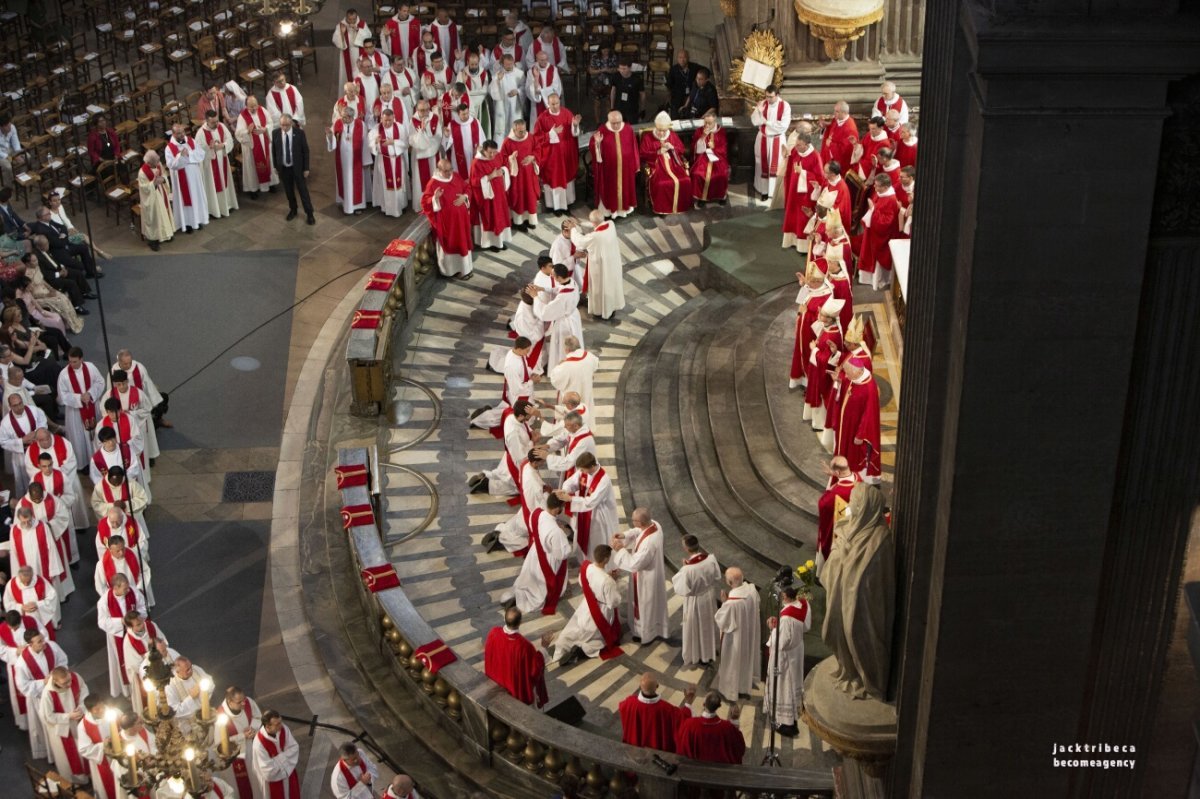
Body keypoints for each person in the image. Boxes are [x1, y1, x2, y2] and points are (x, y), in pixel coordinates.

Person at [822, 483, 894, 699]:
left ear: (866, 508)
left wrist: (849, 565)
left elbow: (877, 583)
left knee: (862, 639)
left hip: (863, 608)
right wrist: (840, 557)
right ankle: (849, 672)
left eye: (855, 503)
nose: (850, 506)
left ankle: (868, 680)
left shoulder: (880, 540)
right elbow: (830, 568)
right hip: (841, 598)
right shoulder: (847, 528)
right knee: (835, 633)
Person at [549, 544, 622, 665]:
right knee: (598, 639)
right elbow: (614, 601)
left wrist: (606, 577)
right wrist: (613, 581)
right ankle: (581, 649)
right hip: (601, 611)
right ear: (606, 559)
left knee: (579, 629)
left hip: (588, 605)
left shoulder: (587, 567)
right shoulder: (608, 581)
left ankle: (567, 644)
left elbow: (582, 582)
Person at [502, 493, 569, 615]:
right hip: (548, 559)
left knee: (530, 578)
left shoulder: (537, 513)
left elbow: (533, 530)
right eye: (562, 507)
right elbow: (562, 554)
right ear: (557, 509)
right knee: (542, 586)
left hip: (535, 553)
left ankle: (518, 597)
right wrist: (564, 534)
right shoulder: (556, 532)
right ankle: (522, 600)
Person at [611, 509, 669, 644]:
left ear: (640, 522)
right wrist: (624, 535)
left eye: (633, 521)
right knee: (650, 604)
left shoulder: (649, 543)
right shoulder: (655, 524)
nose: (632, 523)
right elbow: (638, 531)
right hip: (651, 573)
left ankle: (645, 634)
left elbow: (634, 564)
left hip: (646, 578)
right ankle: (645, 629)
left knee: (645, 605)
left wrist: (620, 550)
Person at [763, 585, 812, 737]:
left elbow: (782, 642)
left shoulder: (787, 617)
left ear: (785, 596)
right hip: (796, 651)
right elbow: (804, 627)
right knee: (794, 683)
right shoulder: (804, 603)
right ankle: (793, 716)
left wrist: (772, 628)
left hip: (784, 658)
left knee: (784, 686)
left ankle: (786, 723)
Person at [15, 628, 70, 759]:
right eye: (39, 641)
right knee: (48, 728)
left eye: (42, 638)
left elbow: (63, 660)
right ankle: (55, 754)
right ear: (30, 644)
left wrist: (58, 674)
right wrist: (43, 682)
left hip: (58, 690)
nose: (43, 642)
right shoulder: (22, 663)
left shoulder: (51, 646)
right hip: (39, 698)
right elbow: (23, 686)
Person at [556, 451, 618, 562]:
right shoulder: (585, 471)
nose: (581, 472)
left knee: (595, 540)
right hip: (582, 508)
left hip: (597, 514)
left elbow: (592, 501)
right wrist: (565, 491)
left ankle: (596, 562)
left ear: (592, 466)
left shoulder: (603, 480)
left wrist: (570, 499)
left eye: (583, 469)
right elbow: (571, 482)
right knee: (582, 535)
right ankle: (584, 559)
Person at [671, 535, 721, 666]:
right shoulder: (710, 559)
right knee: (709, 623)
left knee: (696, 626)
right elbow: (717, 577)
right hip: (709, 596)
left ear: (686, 549)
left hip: (695, 600)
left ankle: (699, 654)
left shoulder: (687, 569)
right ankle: (711, 650)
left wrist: (683, 569)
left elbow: (681, 589)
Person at [420, 157, 474, 279]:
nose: (450, 173)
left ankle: (465, 269)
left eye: (450, 169)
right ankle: (450, 272)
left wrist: (464, 197)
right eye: (446, 171)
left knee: (463, 244)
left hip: (461, 221)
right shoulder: (433, 183)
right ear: (439, 170)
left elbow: (467, 188)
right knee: (451, 245)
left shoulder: (455, 176)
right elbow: (424, 202)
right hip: (447, 224)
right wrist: (435, 198)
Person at [483, 606, 548, 707]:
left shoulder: (493, 633)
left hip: (496, 687)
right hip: (516, 695)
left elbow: (489, 657)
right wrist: (544, 648)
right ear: (520, 622)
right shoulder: (525, 646)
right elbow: (535, 670)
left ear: (504, 619)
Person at [714, 567, 761, 701]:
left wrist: (724, 603)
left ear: (729, 582)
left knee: (733, 661)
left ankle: (731, 689)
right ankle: (744, 684)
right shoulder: (752, 590)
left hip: (736, 639)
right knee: (745, 658)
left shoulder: (732, 602)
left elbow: (722, 621)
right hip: (749, 633)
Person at [619, 672, 694, 753]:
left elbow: (622, 708)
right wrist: (689, 701)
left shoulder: (629, 702)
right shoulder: (667, 709)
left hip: (633, 749)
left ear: (640, 686)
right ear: (657, 686)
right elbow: (683, 718)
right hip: (658, 753)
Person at [96, 572, 145, 697]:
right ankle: (128, 690)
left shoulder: (133, 592)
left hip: (135, 631)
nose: (128, 590)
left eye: (128, 586)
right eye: (125, 588)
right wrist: (122, 621)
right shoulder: (104, 602)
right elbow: (102, 622)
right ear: (115, 588)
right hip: (117, 635)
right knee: (123, 661)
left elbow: (142, 607)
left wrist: (136, 618)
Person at [38, 665, 90, 784]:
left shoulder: (75, 677)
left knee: (84, 748)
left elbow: (84, 690)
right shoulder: (48, 693)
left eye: (69, 680)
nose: (69, 685)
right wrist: (68, 716)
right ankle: (73, 782)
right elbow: (48, 716)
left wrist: (82, 707)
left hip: (79, 721)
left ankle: (89, 773)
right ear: (55, 681)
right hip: (62, 729)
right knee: (68, 757)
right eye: (65, 683)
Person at [834, 361, 882, 482]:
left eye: (849, 374)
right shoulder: (855, 377)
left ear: (859, 371)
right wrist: (840, 381)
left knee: (854, 457)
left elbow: (869, 415)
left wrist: (860, 435)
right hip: (847, 424)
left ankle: (853, 479)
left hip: (855, 429)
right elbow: (847, 382)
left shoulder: (869, 388)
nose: (847, 376)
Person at [531, 93, 580, 212]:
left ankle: (568, 202)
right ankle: (555, 207)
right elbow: (536, 138)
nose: (555, 106)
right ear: (548, 104)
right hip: (551, 156)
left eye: (557, 103)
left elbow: (574, 133)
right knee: (554, 178)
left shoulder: (567, 113)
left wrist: (575, 125)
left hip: (566, 154)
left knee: (566, 177)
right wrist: (552, 133)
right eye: (552, 104)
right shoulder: (542, 118)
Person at [572, 210, 624, 319]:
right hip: (612, 264)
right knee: (611, 287)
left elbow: (580, 242)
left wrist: (573, 229)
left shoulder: (595, 236)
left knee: (600, 288)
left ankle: (601, 311)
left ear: (594, 223)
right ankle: (611, 308)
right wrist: (580, 224)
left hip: (600, 267)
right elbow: (597, 224)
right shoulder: (611, 225)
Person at [804, 297, 846, 430]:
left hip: (823, 371)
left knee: (821, 395)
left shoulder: (833, 335)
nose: (819, 315)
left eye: (821, 314)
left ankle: (820, 423)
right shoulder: (828, 328)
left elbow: (826, 359)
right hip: (816, 367)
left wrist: (814, 349)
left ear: (829, 319)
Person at [788, 264, 832, 390]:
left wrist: (805, 313)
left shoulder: (825, 296)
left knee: (809, 358)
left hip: (812, 336)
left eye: (812, 281)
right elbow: (809, 291)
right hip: (804, 333)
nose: (809, 283)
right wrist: (804, 283)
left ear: (819, 281)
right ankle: (802, 379)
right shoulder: (816, 289)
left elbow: (823, 321)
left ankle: (810, 383)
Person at [641, 111, 692, 215]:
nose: (662, 134)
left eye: (664, 131)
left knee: (685, 180)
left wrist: (672, 148)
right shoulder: (648, 137)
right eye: (660, 130)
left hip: (674, 165)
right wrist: (657, 152)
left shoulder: (672, 135)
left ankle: (681, 206)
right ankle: (662, 209)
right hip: (657, 167)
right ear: (656, 127)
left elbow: (681, 149)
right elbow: (642, 154)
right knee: (661, 183)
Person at [781, 131, 824, 252]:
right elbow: (790, 164)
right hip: (794, 190)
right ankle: (791, 240)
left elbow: (819, 178)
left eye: (799, 145)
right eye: (796, 144)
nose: (796, 147)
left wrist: (803, 173)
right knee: (792, 215)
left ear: (807, 144)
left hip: (806, 195)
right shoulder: (796, 150)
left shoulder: (815, 156)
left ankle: (803, 247)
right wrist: (786, 155)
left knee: (802, 218)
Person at [676, 691, 747, 764]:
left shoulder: (689, 724)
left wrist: (688, 701)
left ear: (703, 704)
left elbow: (680, 745)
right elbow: (739, 747)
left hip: (694, 768)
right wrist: (734, 720)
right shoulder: (728, 727)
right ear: (719, 706)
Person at [218, 685, 263, 799]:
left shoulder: (248, 702)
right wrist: (242, 736)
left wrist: (253, 728)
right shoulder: (220, 716)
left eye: (244, 700)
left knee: (255, 780)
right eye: (239, 702)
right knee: (238, 787)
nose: (244, 703)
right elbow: (220, 744)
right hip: (233, 756)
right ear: (230, 702)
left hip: (250, 748)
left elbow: (257, 717)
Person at [857, 173, 901, 289]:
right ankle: (867, 278)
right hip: (872, 231)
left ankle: (879, 281)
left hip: (881, 235)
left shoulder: (891, 199)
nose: (875, 188)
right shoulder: (881, 193)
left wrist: (873, 209)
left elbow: (886, 222)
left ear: (886, 187)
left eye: (878, 186)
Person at [591, 111, 639, 219]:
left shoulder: (628, 129)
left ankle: (623, 211)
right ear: (609, 121)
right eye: (613, 123)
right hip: (609, 170)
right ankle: (611, 212)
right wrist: (597, 143)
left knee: (625, 189)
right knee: (611, 191)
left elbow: (634, 147)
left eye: (618, 122)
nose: (616, 125)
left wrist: (635, 164)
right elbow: (593, 145)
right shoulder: (602, 130)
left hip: (626, 168)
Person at [9, 505, 66, 594]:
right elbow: (14, 553)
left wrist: (53, 569)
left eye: (29, 521)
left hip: (43, 566)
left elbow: (51, 548)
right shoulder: (14, 531)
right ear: (19, 519)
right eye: (23, 522)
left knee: (48, 591)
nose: (27, 524)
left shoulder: (42, 526)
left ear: (32, 516)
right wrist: (16, 574)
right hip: (25, 568)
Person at [327, 107, 373, 215]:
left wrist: (366, 161)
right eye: (342, 117)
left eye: (344, 117)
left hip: (356, 161)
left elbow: (365, 143)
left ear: (350, 117)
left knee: (356, 182)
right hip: (342, 160)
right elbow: (333, 141)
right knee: (344, 181)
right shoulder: (338, 123)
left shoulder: (361, 125)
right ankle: (344, 203)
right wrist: (329, 136)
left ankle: (357, 206)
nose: (342, 119)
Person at [163, 123, 207, 233]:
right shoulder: (169, 148)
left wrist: (189, 155)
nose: (182, 135)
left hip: (194, 177)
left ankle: (197, 220)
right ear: (173, 134)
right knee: (184, 201)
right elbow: (171, 165)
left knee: (196, 197)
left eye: (183, 132)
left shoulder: (191, 141)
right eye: (178, 133)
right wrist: (180, 156)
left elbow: (201, 154)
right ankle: (187, 224)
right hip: (181, 179)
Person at [272, 114, 315, 225]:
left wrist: (306, 168)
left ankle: (309, 213)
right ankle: (293, 210)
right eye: (282, 125)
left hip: (298, 168)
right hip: (284, 168)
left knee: (303, 191)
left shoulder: (299, 133)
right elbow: (274, 152)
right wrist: (276, 166)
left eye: (287, 125)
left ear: (291, 123)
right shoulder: (275, 133)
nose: (284, 128)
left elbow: (305, 151)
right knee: (289, 191)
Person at [469, 139, 512, 249]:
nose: (492, 155)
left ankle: (500, 241)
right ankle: (490, 243)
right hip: (486, 197)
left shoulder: (497, 156)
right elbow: (474, 182)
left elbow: (504, 166)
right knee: (490, 219)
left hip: (499, 195)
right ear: (484, 150)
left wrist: (503, 171)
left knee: (500, 217)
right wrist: (490, 176)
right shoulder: (476, 163)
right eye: (490, 152)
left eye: (494, 152)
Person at [749, 86, 791, 200]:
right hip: (763, 138)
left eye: (771, 97)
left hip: (777, 139)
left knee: (776, 165)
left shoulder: (785, 106)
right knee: (762, 164)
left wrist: (765, 121)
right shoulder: (763, 103)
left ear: (777, 95)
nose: (768, 99)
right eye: (767, 96)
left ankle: (773, 192)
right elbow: (754, 120)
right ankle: (763, 191)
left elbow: (782, 126)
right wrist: (758, 111)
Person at [0, 392, 45, 496]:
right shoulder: (5, 423)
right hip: (21, 457)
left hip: (39, 449)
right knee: (26, 482)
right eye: (15, 405)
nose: (19, 407)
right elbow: (3, 442)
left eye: (20, 403)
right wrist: (22, 441)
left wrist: (37, 433)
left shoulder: (34, 410)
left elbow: (43, 421)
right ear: (10, 406)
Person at [198, 110, 239, 219]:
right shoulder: (201, 133)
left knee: (224, 182)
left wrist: (224, 145)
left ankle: (227, 205)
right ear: (207, 121)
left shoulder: (221, 126)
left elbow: (229, 139)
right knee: (213, 185)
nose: (216, 124)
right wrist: (209, 148)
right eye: (213, 122)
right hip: (210, 166)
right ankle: (215, 209)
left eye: (217, 121)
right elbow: (198, 151)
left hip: (223, 160)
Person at [235, 96, 279, 198]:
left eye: (255, 105)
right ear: (246, 106)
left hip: (264, 143)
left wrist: (265, 129)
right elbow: (238, 133)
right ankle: (253, 189)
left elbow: (270, 123)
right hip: (251, 146)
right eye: (251, 107)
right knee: (252, 167)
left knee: (268, 162)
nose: (254, 108)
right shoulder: (242, 116)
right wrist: (248, 131)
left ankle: (270, 184)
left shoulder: (263, 110)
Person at [499, 118, 539, 229]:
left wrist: (533, 157)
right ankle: (518, 222)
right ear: (514, 130)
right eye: (520, 131)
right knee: (519, 199)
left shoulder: (530, 137)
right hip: (517, 178)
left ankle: (530, 220)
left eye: (524, 130)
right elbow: (502, 159)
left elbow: (537, 149)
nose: (523, 133)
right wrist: (511, 159)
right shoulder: (507, 142)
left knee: (530, 197)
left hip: (529, 176)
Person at [369, 108, 409, 217]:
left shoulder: (400, 127)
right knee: (384, 185)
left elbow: (406, 143)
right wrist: (375, 142)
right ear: (381, 118)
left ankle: (400, 205)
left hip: (397, 160)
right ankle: (386, 207)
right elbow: (370, 144)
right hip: (383, 160)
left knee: (399, 185)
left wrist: (394, 142)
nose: (387, 123)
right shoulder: (376, 129)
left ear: (393, 118)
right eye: (385, 120)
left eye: (390, 120)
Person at [76, 695, 117, 799]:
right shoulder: (83, 726)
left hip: (119, 752)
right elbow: (84, 749)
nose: (101, 710)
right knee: (109, 785)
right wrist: (103, 745)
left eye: (102, 706)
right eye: (97, 709)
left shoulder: (111, 712)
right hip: (102, 759)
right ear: (90, 710)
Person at [253, 710, 301, 799]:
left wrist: (276, 760)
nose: (281, 725)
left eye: (280, 721)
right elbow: (268, 771)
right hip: (273, 782)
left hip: (288, 774)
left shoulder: (283, 730)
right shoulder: (259, 744)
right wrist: (285, 759)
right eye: (277, 724)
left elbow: (294, 748)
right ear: (268, 726)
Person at [406, 99, 442, 209]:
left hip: (433, 154)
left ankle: (435, 203)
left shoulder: (434, 118)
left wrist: (427, 136)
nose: (425, 113)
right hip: (419, 156)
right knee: (419, 181)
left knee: (434, 178)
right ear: (417, 110)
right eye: (422, 110)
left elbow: (438, 136)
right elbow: (411, 139)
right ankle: (421, 205)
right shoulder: (413, 120)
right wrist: (421, 133)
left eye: (427, 110)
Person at [4, 565, 60, 634]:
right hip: (22, 621)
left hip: (41, 618)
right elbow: (7, 603)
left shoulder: (41, 581)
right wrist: (21, 607)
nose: (26, 584)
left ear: (32, 576)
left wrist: (38, 604)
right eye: (23, 581)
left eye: (28, 581)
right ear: (19, 577)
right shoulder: (11, 585)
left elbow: (52, 597)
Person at [690, 110, 729, 204]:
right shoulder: (700, 130)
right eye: (705, 122)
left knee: (721, 174)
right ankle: (702, 197)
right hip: (703, 157)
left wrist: (714, 147)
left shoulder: (720, 131)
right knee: (698, 174)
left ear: (715, 120)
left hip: (718, 158)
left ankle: (721, 196)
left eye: (710, 123)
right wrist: (703, 136)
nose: (707, 125)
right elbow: (695, 148)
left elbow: (724, 148)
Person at [164, 656, 212, 730]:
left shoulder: (195, 669)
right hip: (189, 725)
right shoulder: (170, 685)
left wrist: (202, 689)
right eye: (187, 670)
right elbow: (175, 712)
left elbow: (211, 682)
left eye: (190, 667)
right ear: (177, 672)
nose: (191, 671)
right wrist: (191, 697)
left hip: (206, 713)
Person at [548, 338, 598, 408]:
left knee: (572, 417)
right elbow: (596, 364)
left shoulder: (565, 365)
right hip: (586, 395)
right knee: (586, 414)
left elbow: (555, 380)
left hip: (571, 402)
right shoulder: (590, 356)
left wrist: (558, 365)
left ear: (567, 350)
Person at [820, 101, 859, 180]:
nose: (834, 113)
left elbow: (846, 150)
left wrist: (830, 144)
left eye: (837, 111)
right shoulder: (838, 118)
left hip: (841, 163)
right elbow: (833, 126)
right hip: (830, 156)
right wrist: (826, 125)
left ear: (844, 113)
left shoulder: (850, 129)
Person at [333, 8, 371, 87]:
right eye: (349, 19)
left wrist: (358, 30)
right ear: (346, 18)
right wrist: (342, 34)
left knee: (359, 73)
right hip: (347, 54)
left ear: (356, 17)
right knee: (347, 76)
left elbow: (368, 36)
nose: (352, 21)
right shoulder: (340, 25)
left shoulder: (362, 24)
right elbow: (335, 40)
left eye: (354, 19)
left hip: (359, 54)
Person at [491, 54, 525, 138]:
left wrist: (518, 91)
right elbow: (492, 90)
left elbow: (524, 87)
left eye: (511, 64)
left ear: (513, 62)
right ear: (503, 64)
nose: (509, 66)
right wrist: (498, 80)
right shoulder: (498, 74)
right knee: (502, 128)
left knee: (515, 125)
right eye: (507, 64)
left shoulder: (519, 73)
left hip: (515, 105)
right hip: (502, 106)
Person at [667, 50, 703, 117]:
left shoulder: (694, 67)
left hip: (690, 96)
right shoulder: (673, 69)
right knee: (675, 117)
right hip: (677, 97)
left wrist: (698, 81)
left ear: (688, 58)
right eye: (680, 58)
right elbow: (669, 84)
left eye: (684, 57)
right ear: (677, 59)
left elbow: (706, 71)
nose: (682, 60)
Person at [0, 111, 24, 188]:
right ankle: (8, 186)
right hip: (1, 154)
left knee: (26, 157)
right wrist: (9, 157)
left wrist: (17, 154)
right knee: (8, 167)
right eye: (7, 125)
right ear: (1, 127)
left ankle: (19, 178)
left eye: (9, 123)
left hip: (10, 149)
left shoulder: (12, 127)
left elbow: (16, 142)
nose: (9, 126)